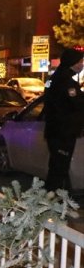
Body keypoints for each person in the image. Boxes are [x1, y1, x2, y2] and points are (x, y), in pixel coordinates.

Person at [42, 46, 84, 192]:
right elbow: (78, 104)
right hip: (63, 133)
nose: (82, 64)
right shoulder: (66, 83)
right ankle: (53, 197)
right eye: (80, 61)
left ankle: (55, 197)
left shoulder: (53, 79)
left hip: (56, 131)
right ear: (72, 62)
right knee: (59, 168)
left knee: (56, 166)